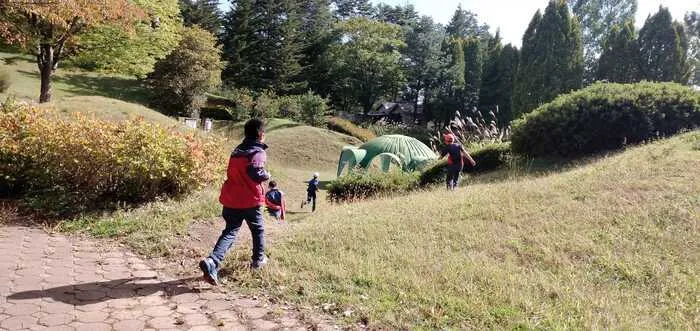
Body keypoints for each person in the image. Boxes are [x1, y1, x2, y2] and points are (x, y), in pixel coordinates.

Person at [199, 118, 270, 286]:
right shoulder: (258, 152)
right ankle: (258, 260)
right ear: (261, 135)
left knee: (230, 231)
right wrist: (266, 175)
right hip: (250, 200)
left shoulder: (237, 150)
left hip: (231, 199)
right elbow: (255, 173)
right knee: (258, 230)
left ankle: (212, 261)